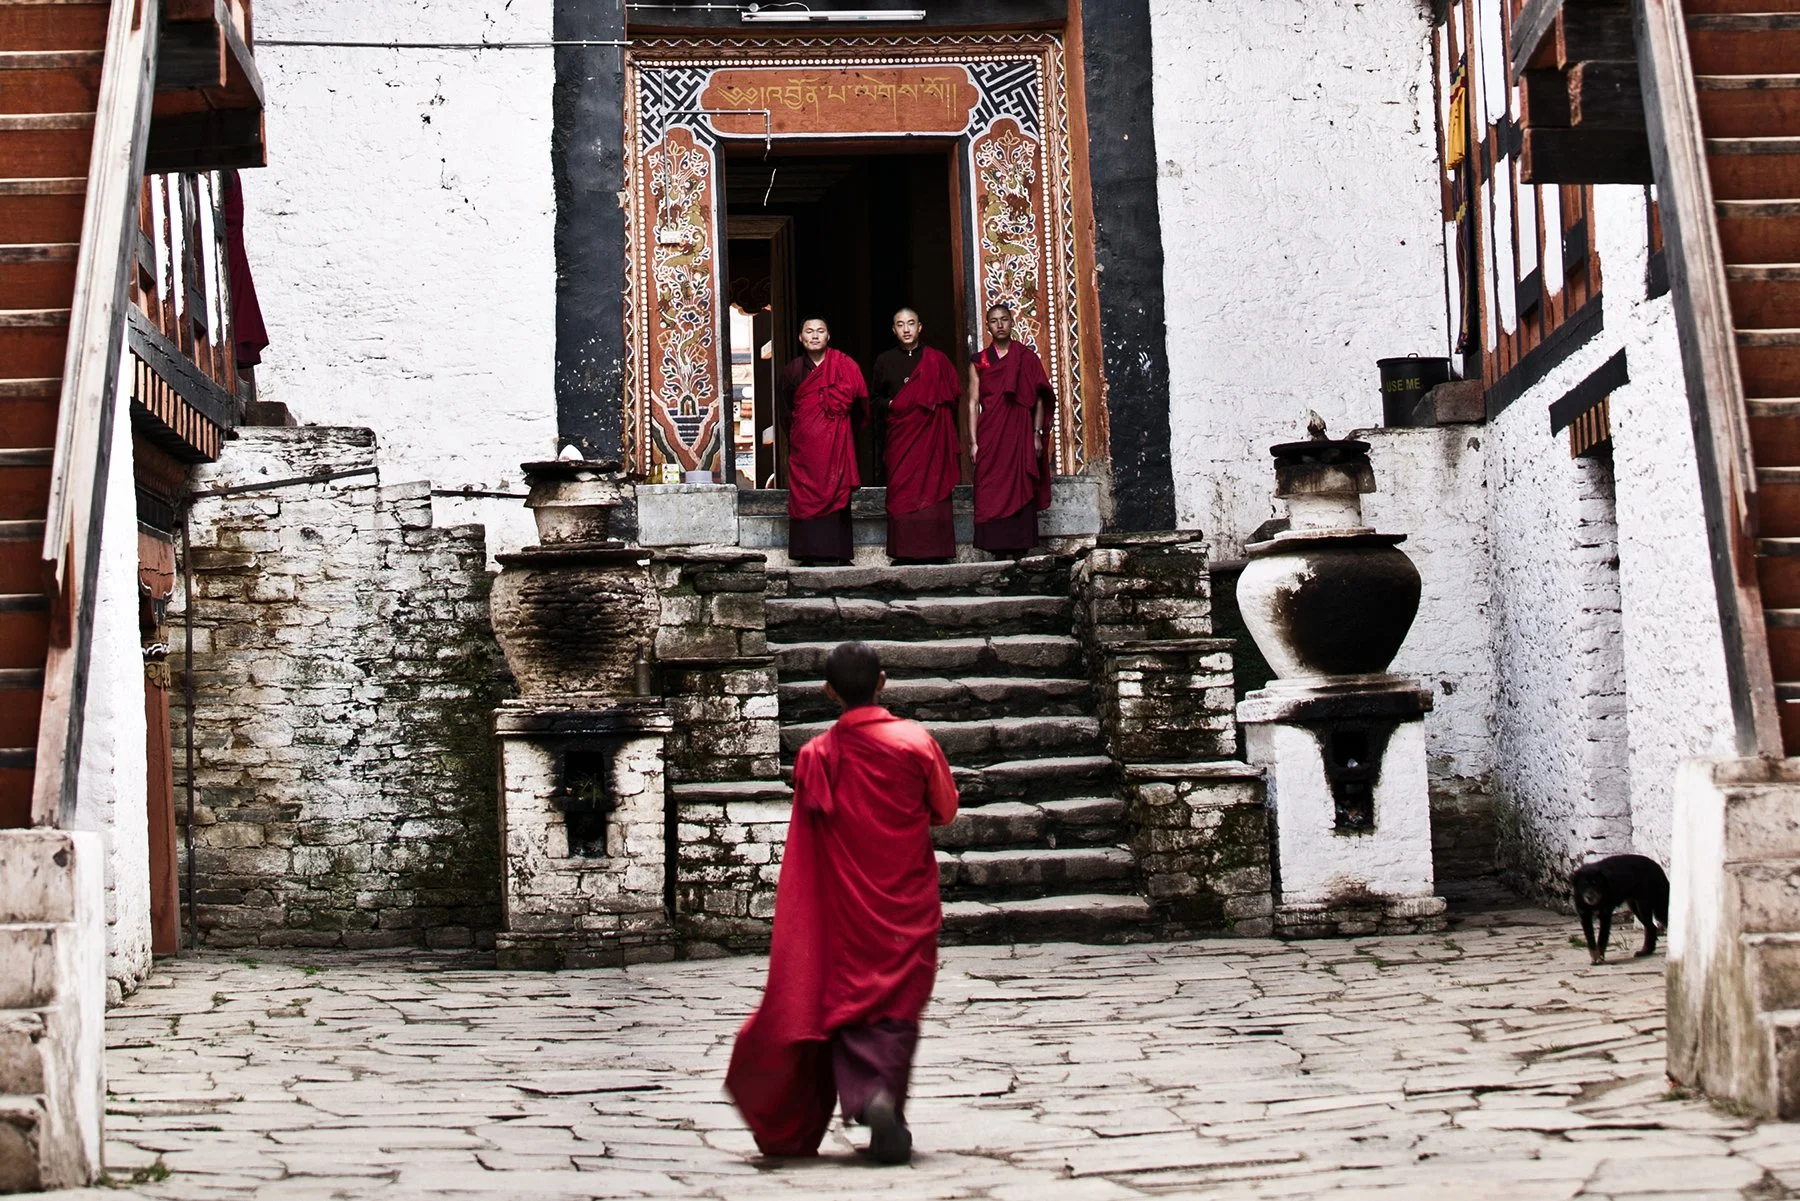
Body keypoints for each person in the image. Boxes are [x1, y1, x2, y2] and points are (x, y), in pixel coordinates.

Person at [725, 641, 959, 1166]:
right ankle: (882, 1100)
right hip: (905, 902)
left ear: (828, 691)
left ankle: (870, 1098)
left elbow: (808, 845)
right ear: (883, 681)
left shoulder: (816, 756)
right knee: (897, 1003)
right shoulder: (914, 742)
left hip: (845, 909)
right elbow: (944, 810)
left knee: (851, 998)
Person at [873, 308, 962, 563]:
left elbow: (953, 395)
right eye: (900, 324)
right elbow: (875, 399)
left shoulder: (937, 360)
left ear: (920, 327)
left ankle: (936, 549)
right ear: (894, 329)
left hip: (931, 438)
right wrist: (892, 405)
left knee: (934, 487)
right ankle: (904, 551)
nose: (906, 329)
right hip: (902, 439)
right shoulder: (884, 361)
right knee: (901, 489)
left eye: (911, 323)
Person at [968, 303, 1054, 553]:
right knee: (989, 484)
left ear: (1012, 322)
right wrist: (973, 442)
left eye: (1004, 319)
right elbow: (973, 403)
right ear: (988, 326)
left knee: (1020, 482)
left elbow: (1038, 397)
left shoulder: (1026, 358)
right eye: (994, 321)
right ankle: (994, 545)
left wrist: (1036, 434)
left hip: (1019, 432)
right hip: (990, 433)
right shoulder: (980, 362)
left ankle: (1020, 543)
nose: (1000, 325)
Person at [781, 317, 868, 565]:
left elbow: (861, 403)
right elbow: (786, 411)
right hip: (805, 447)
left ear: (828, 336)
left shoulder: (845, 366)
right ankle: (807, 553)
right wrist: (802, 434)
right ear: (801, 337)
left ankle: (838, 552)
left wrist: (841, 431)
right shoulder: (793, 371)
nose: (815, 336)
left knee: (837, 491)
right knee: (805, 494)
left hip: (836, 443)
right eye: (809, 331)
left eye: (821, 331)